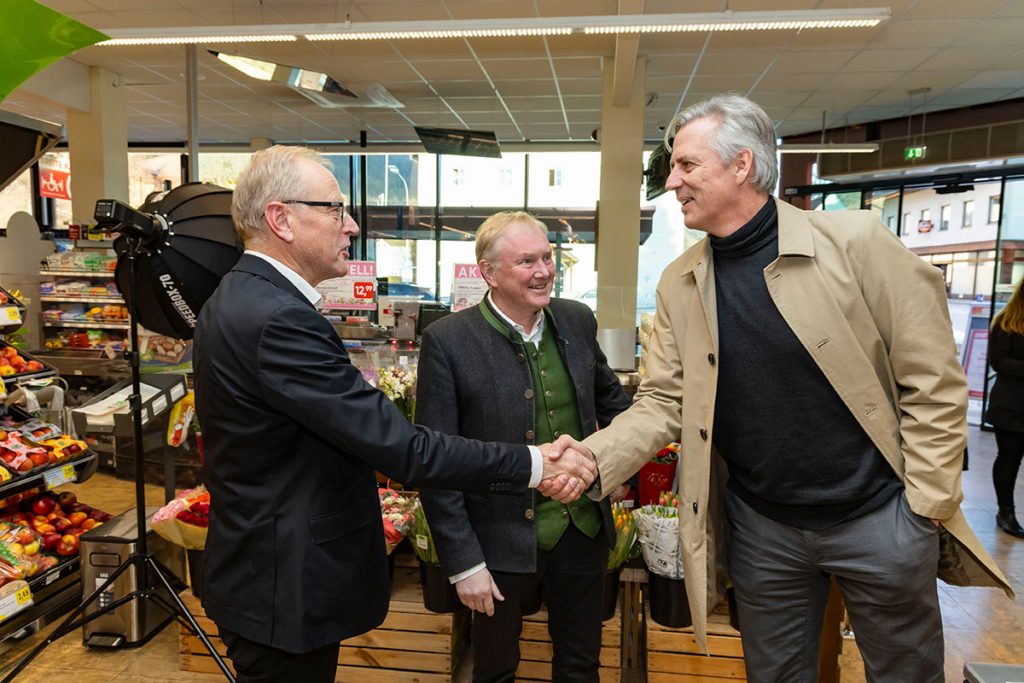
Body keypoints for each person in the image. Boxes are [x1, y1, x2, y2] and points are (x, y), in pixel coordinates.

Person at [545, 94, 1012, 683]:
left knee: (905, 674)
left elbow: (935, 383)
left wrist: (923, 507)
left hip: (880, 517)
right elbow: (665, 400)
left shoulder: (857, 244)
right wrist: (592, 457)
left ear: (742, 165)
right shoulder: (679, 282)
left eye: (687, 165)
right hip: (765, 530)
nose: (672, 182)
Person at [192, 146, 595, 683]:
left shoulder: (242, 297)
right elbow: (404, 448)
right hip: (282, 581)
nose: (351, 223)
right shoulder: (277, 318)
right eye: (334, 209)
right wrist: (535, 463)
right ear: (280, 219)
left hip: (265, 568)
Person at [417, 211, 631, 683]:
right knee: (494, 668)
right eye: (526, 261)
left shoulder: (576, 319)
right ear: (488, 273)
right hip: (497, 538)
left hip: (582, 530)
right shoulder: (447, 342)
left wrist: (609, 471)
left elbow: (617, 409)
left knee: (581, 664)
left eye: (548, 257)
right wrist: (463, 563)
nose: (543, 270)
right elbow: (434, 461)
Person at [987, 277, 1024, 538]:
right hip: (1010, 405)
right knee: (1009, 458)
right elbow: (998, 362)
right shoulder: (1005, 322)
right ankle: (1006, 512)